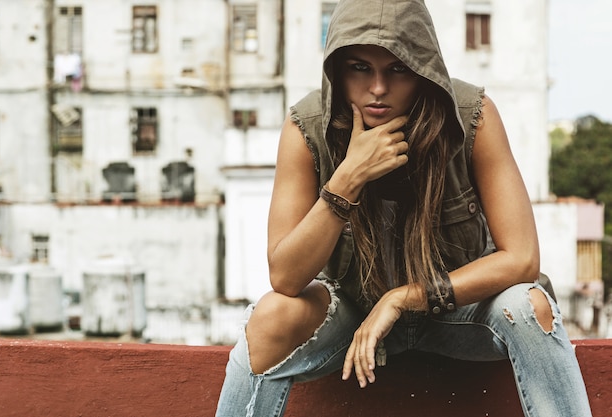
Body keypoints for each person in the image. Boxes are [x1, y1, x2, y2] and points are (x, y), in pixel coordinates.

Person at [215, 0, 593, 415]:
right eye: (359, 68)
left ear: (422, 69)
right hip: (353, 318)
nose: (377, 88)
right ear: (337, 70)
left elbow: (521, 258)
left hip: (457, 315)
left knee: (529, 306)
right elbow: (285, 277)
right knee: (271, 316)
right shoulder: (307, 127)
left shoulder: (471, 117)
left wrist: (402, 298)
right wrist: (347, 180)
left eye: (397, 69)